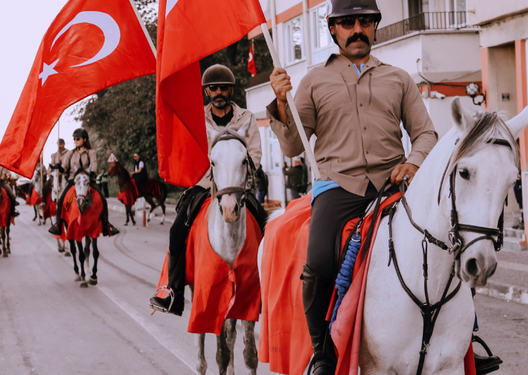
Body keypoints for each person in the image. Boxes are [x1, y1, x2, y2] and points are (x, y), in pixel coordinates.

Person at [267, 1, 444, 373]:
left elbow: (426, 133)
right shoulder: (313, 80)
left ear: (376, 26)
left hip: (393, 187)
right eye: (347, 22)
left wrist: (412, 163)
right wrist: (282, 103)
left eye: (365, 21)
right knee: (317, 263)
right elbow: (293, 145)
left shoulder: (399, 78)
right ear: (333, 30)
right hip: (337, 187)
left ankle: (464, 337)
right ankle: (322, 354)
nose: (357, 29)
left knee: (444, 247)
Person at [149, 64, 268, 316]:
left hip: (237, 185)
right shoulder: (195, 119)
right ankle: (174, 291)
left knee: (267, 229)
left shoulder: (246, 118)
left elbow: (255, 153)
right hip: (204, 184)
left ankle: (269, 286)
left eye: (223, 88)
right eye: (213, 88)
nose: (219, 92)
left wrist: (239, 175)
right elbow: (187, 153)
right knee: (176, 230)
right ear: (206, 92)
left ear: (231, 90)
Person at [48, 128, 119, 237]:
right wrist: (59, 168)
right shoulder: (70, 153)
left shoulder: (91, 152)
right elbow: (65, 168)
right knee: (61, 199)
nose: (75, 141)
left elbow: (94, 165)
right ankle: (58, 225)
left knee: (103, 199)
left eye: (78, 139)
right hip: (73, 180)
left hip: (88, 179)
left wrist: (91, 174)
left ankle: (106, 225)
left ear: (84, 139)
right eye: (74, 139)